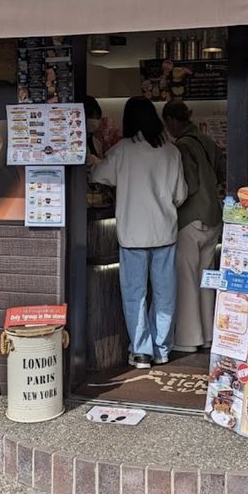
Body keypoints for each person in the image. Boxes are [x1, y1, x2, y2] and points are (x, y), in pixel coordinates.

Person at [91, 96, 187, 369]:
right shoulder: (171, 151)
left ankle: (141, 351)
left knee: (135, 293)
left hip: (132, 233)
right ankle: (162, 348)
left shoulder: (122, 151)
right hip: (164, 232)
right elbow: (180, 195)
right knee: (165, 293)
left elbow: (97, 175)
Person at [162, 101, 226, 353]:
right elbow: (221, 172)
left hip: (190, 219)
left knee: (187, 278)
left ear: (171, 121)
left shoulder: (182, 146)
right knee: (205, 278)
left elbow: (184, 187)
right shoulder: (206, 141)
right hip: (213, 217)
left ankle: (189, 339)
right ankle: (209, 335)